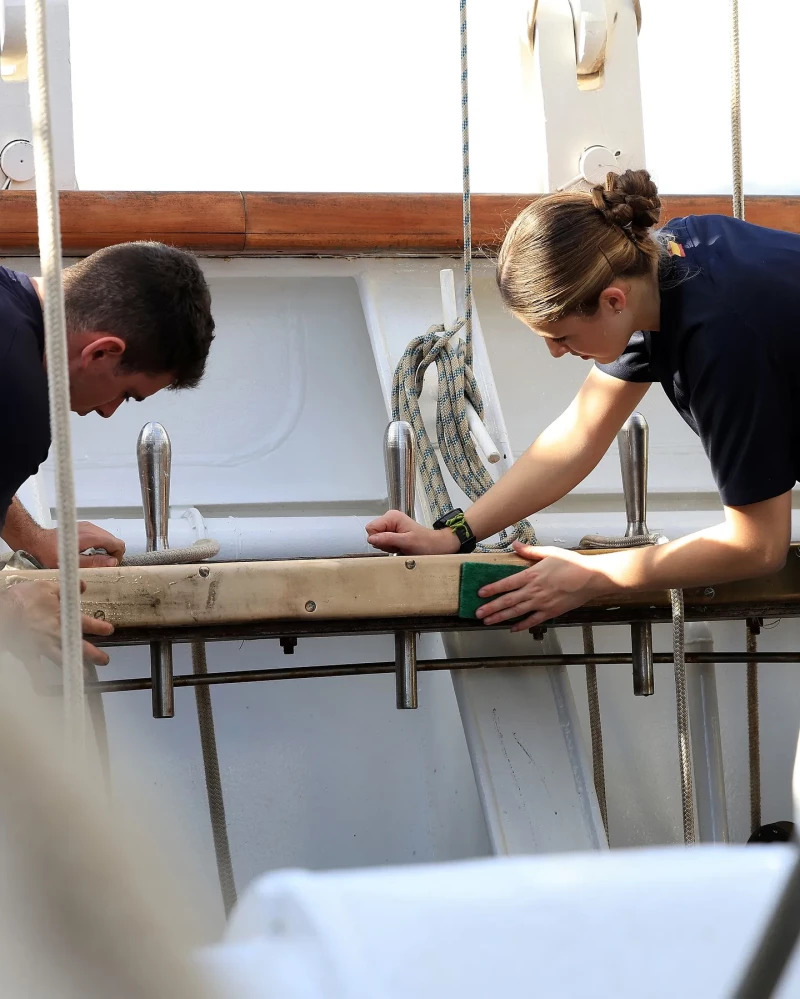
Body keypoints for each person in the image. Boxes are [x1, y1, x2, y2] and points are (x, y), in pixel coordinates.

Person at [366, 169, 794, 632]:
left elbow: (757, 546)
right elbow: (577, 436)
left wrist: (593, 576)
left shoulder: (722, 340)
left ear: (612, 301)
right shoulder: (660, 264)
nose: (556, 352)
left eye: (562, 337)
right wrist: (453, 535)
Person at [0, 241, 215, 664]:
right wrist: (15, 612)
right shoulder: (17, 404)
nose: (107, 411)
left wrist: (35, 539)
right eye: (127, 394)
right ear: (101, 352)